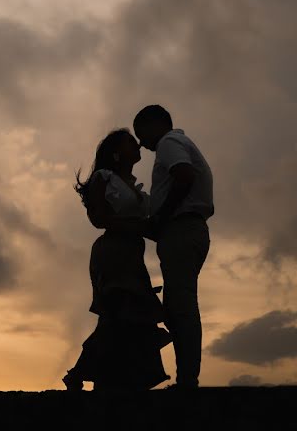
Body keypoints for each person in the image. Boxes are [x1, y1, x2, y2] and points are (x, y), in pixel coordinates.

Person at [63, 129, 171, 391]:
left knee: (130, 315)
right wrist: (136, 227)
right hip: (112, 252)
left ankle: (116, 378)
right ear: (115, 153)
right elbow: (98, 219)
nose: (138, 146)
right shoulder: (104, 178)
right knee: (119, 311)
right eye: (130, 143)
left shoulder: (132, 186)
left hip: (132, 253)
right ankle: (82, 372)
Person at [133, 105, 213, 389]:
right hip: (182, 230)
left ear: (155, 124)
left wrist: (161, 217)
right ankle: (186, 379)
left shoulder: (169, 143)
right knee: (178, 304)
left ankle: (187, 382)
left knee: (181, 306)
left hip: (181, 228)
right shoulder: (176, 143)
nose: (141, 143)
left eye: (140, 133)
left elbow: (184, 175)